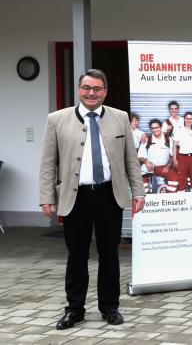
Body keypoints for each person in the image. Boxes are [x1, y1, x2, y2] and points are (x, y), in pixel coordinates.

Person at [38, 69, 145, 330]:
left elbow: (131, 159)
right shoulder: (57, 119)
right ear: (79, 90)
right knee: (77, 255)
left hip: (110, 195)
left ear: (105, 91)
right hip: (76, 197)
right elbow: (48, 162)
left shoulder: (120, 118)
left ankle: (110, 307)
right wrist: (45, 197)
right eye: (86, 88)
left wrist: (138, 191)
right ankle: (74, 309)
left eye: (97, 88)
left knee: (109, 254)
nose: (91, 93)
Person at [139, 119, 179, 193]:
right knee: (140, 179)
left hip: (163, 168)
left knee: (175, 178)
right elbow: (140, 156)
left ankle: (167, 199)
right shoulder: (147, 139)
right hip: (150, 168)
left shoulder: (168, 139)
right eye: (153, 128)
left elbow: (172, 155)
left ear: (160, 127)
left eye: (157, 127)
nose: (155, 130)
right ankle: (149, 199)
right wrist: (146, 162)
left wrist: (168, 166)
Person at [172, 112, 192, 192]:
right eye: (187, 118)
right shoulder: (179, 131)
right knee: (182, 179)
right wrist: (175, 159)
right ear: (184, 119)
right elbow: (174, 146)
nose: (189, 120)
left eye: (190, 119)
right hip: (183, 157)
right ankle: (181, 198)